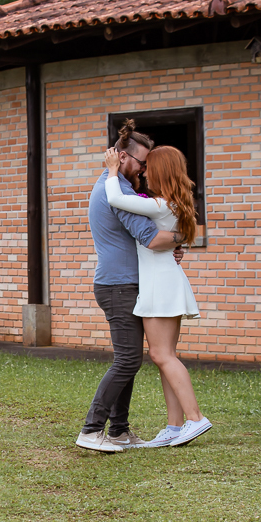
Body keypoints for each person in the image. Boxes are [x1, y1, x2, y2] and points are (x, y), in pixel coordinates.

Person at [76, 121, 184, 453]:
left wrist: (173, 244)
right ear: (123, 157)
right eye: (142, 163)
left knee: (130, 359)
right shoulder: (117, 191)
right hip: (118, 285)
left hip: (124, 283)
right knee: (127, 359)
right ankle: (91, 430)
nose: (146, 169)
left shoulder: (117, 186)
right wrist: (180, 237)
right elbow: (150, 236)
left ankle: (120, 431)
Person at [102, 144, 211, 447]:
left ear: (161, 171)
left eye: (150, 167)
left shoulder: (161, 205)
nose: (145, 172)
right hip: (164, 279)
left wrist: (112, 168)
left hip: (160, 284)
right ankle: (175, 428)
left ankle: (195, 418)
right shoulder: (170, 204)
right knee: (165, 356)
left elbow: (114, 198)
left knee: (161, 355)